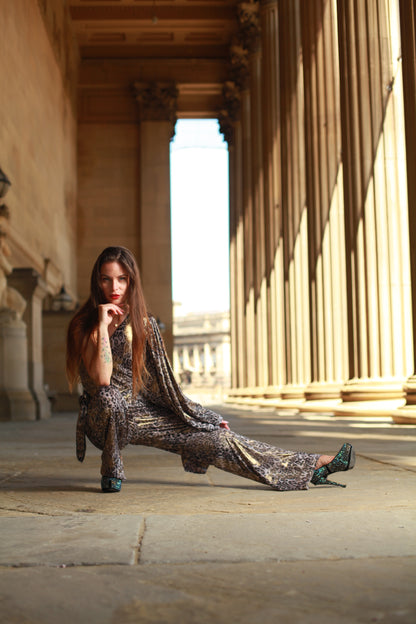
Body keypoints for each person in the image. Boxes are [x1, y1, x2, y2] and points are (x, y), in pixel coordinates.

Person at [66, 246, 355, 493]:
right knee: (109, 397)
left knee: (216, 440)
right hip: (101, 418)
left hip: (141, 415)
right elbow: (102, 380)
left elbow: (167, 388)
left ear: (131, 282)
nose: (114, 288)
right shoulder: (84, 325)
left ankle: (311, 466)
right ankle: (112, 469)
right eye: (107, 279)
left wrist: (206, 417)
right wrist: (103, 326)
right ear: (97, 282)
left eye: (122, 279)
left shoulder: (144, 325)